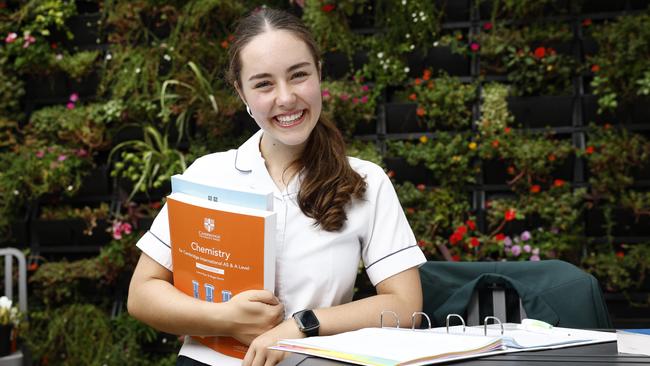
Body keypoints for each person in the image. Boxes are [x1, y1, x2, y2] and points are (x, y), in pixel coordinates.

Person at [127, 7, 426, 366]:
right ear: (242, 93)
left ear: (319, 72)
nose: (285, 98)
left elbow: (405, 305)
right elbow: (142, 294)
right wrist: (227, 318)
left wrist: (302, 326)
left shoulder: (366, 182)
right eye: (264, 83)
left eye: (298, 75)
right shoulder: (207, 174)